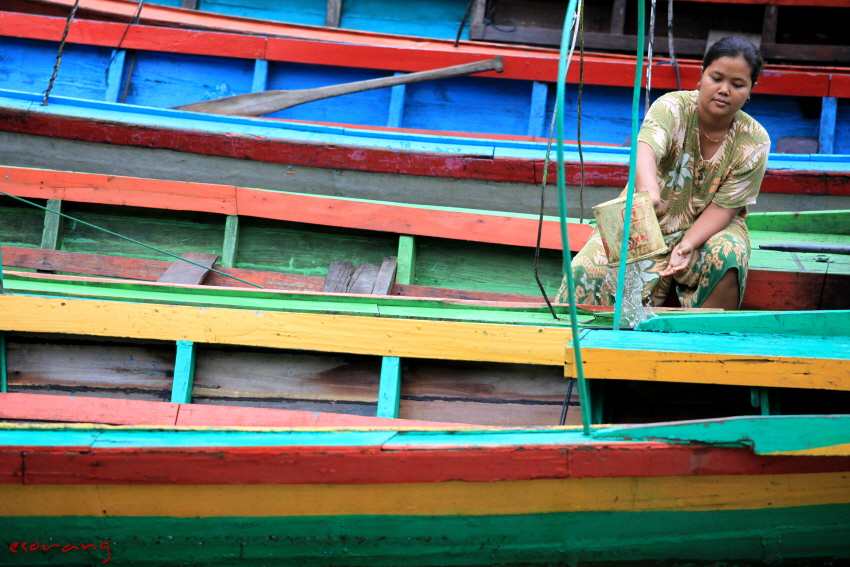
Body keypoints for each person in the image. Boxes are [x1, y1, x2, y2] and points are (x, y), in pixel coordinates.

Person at [558, 36, 770, 310]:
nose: (724, 90)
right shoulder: (672, 107)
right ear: (701, 77)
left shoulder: (754, 140)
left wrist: (688, 243)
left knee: (728, 255)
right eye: (716, 78)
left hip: (709, 228)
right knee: (586, 269)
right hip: (646, 216)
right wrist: (648, 192)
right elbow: (646, 147)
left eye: (737, 84)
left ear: (751, 89)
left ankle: (705, 342)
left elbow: (725, 207)